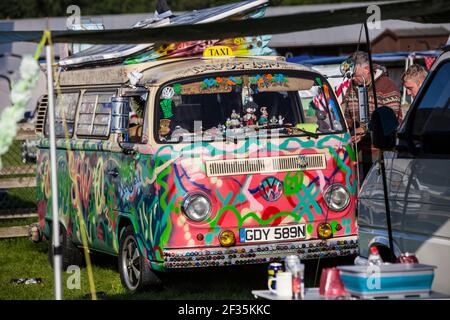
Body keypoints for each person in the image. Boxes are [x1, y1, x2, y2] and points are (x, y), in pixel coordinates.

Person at [342, 51, 402, 181]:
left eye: (355, 74)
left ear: (367, 69)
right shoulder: (352, 87)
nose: (352, 78)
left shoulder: (387, 86)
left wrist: (363, 130)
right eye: (351, 75)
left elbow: (388, 120)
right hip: (359, 155)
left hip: (382, 154)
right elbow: (346, 115)